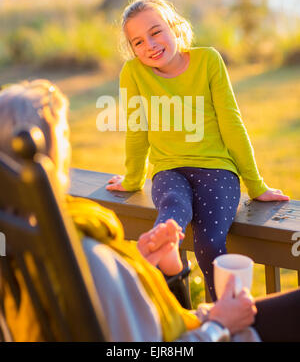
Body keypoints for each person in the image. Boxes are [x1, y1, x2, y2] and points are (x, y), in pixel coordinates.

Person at [0, 79, 299, 343]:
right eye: (65, 135)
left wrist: (146, 268)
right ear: (55, 154)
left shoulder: (16, 243)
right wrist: (220, 322)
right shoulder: (85, 257)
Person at [106, 0, 289, 301]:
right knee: (172, 209)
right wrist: (133, 179)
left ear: (175, 27)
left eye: (155, 32)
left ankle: (221, 316)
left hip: (217, 169)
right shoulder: (133, 73)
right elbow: (137, 132)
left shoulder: (208, 61)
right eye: (137, 42)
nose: (149, 45)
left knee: (209, 244)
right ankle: (173, 291)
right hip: (168, 168)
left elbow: (232, 125)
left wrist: (256, 186)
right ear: (131, 49)